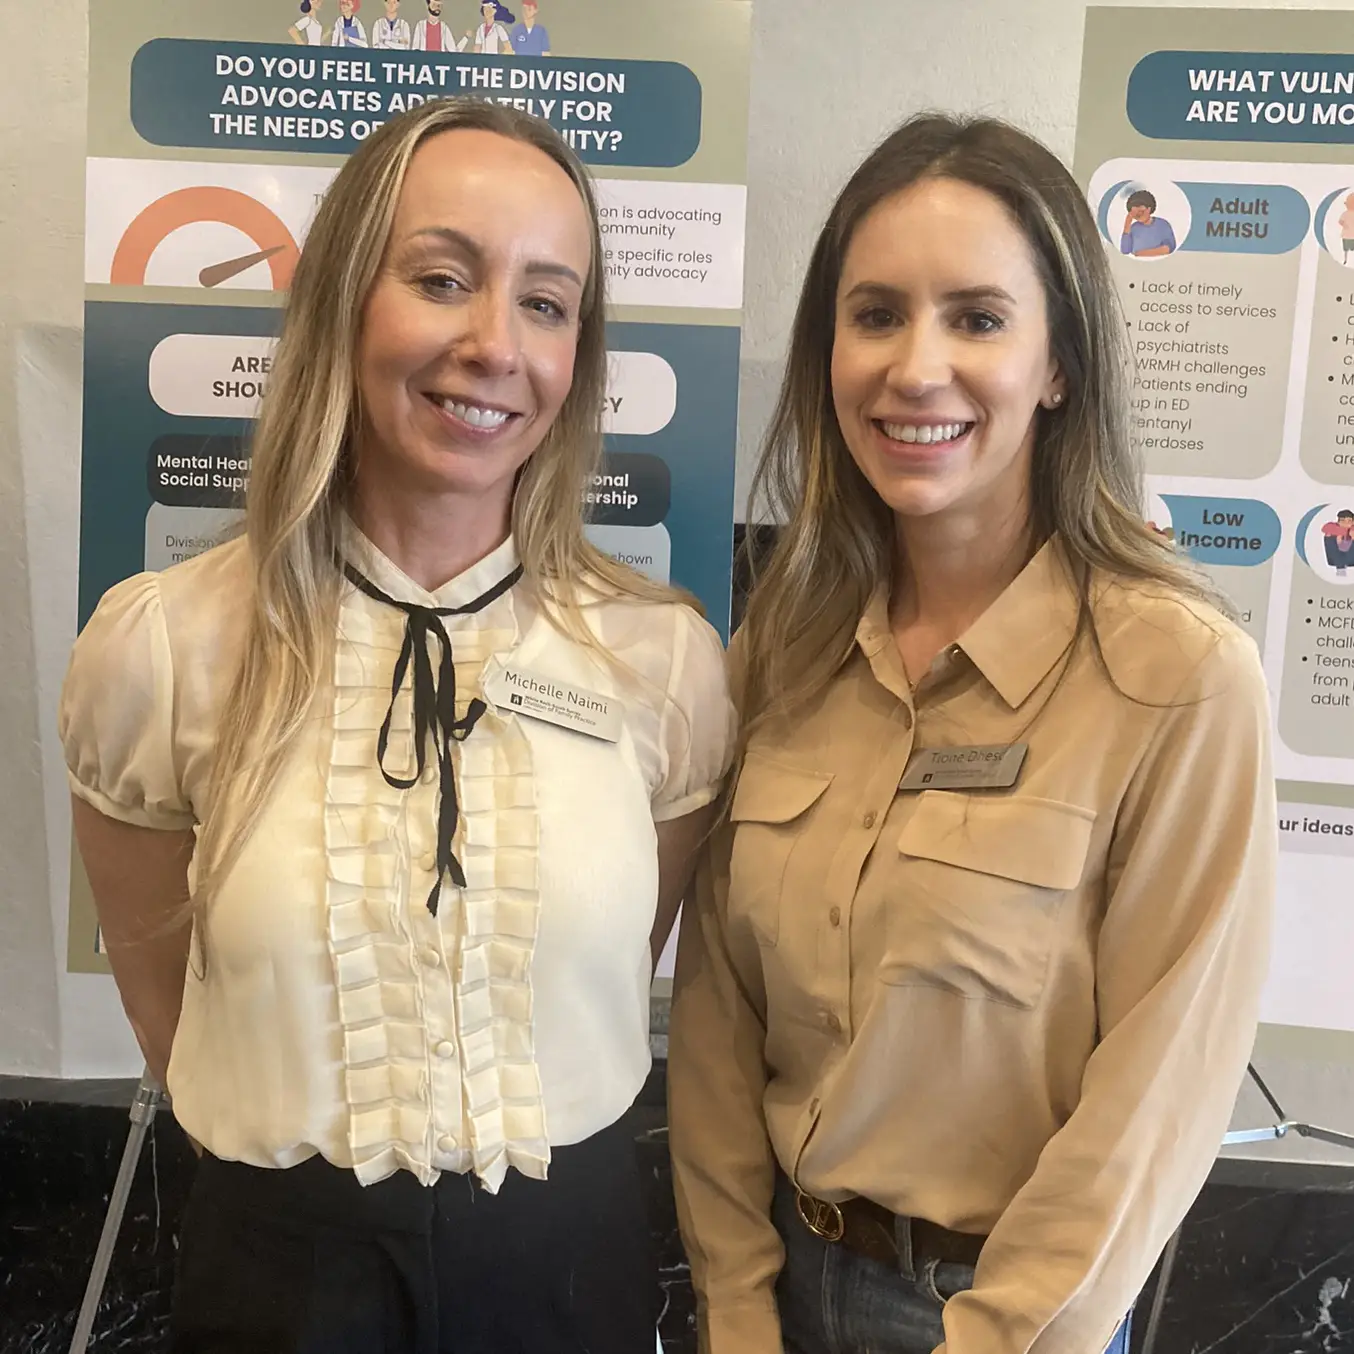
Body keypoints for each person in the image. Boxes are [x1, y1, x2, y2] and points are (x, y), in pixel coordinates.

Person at [61, 98, 733, 1354]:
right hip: (275, 1269)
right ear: (341, 305)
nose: (495, 343)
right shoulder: (163, 645)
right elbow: (169, 992)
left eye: (545, 301)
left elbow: (614, 961)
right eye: (440, 278)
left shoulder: (664, 660)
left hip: (567, 1265)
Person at [668, 113, 1275, 1354]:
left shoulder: (1176, 679)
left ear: (1059, 363)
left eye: (978, 318)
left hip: (1006, 1320)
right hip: (779, 1294)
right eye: (876, 313)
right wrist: (734, 1306)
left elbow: (1154, 1099)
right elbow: (719, 1016)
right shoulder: (781, 649)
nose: (915, 366)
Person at [1120, 188, 1176, 257]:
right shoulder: (1133, 228)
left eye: (1141, 211)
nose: (1138, 215)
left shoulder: (1163, 225)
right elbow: (1125, 251)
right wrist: (1127, 224)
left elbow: (1169, 248)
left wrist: (1141, 253)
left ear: (1149, 209)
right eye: (1134, 213)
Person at [1322, 508, 1354, 577]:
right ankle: (1340, 568)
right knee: (1328, 535)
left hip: (1351, 555)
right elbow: (1325, 528)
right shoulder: (1333, 526)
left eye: (1349, 521)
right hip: (1336, 556)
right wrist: (1345, 532)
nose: (1345, 523)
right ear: (1338, 522)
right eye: (1342, 521)